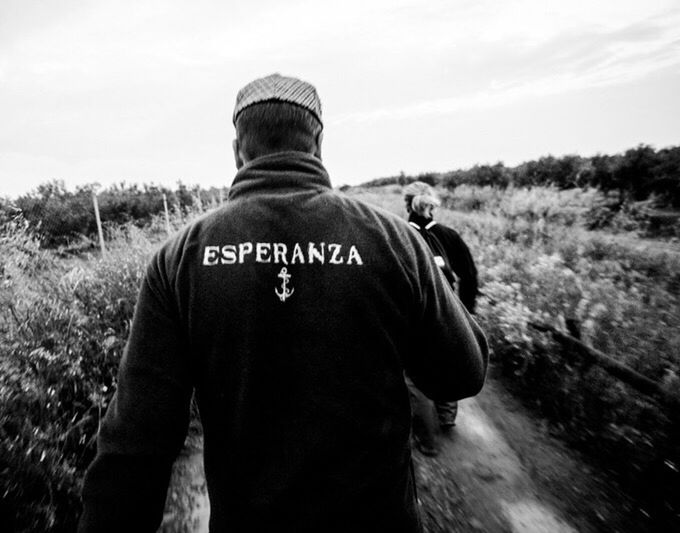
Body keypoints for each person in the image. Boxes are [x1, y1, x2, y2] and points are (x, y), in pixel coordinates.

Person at [78, 73, 488, 533]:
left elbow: (136, 445)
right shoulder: (392, 242)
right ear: (318, 144)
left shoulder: (180, 258)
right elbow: (462, 373)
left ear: (238, 150)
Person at [403, 181, 480, 456]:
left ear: (407, 204)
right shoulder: (449, 236)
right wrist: (467, 312)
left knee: (415, 375)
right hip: (447, 313)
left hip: (413, 316)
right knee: (446, 361)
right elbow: (469, 275)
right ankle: (447, 418)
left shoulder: (399, 234)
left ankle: (426, 440)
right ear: (431, 204)